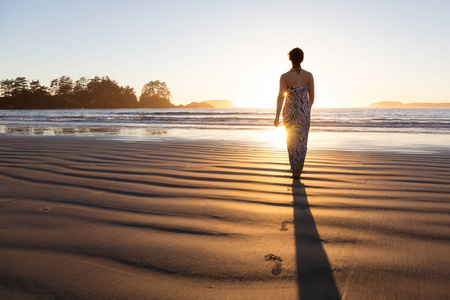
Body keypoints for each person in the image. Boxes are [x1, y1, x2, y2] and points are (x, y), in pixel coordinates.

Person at [274, 47, 315, 178]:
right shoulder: (309, 76)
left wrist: (276, 117)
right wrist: (306, 109)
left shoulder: (284, 76)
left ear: (290, 59)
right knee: (302, 140)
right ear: (302, 59)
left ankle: (294, 167)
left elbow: (281, 96)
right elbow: (312, 96)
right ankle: (299, 166)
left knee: (291, 140)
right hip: (304, 111)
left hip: (289, 111)